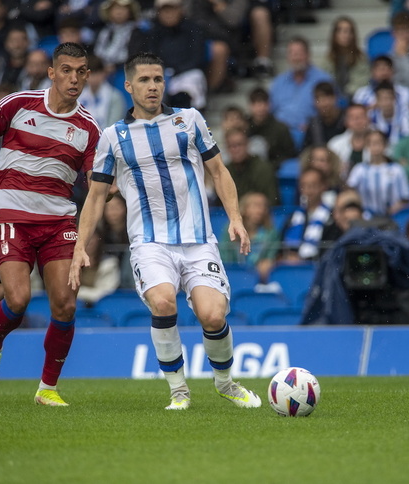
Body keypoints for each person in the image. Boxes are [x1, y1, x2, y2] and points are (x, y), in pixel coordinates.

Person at [69, 52, 262, 410]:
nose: (153, 86)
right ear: (128, 86)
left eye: (158, 79)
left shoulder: (189, 121)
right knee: (162, 301)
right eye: (144, 80)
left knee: (213, 315)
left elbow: (218, 171)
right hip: (149, 242)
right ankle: (178, 390)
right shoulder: (114, 137)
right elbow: (96, 196)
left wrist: (235, 217)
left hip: (199, 239)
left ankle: (226, 383)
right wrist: (81, 245)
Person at [0, 43, 102, 406]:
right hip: (12, 213)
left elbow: (95, 181)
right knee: (17, 299)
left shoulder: (90, 128)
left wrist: (106, 189)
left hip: (58, 219)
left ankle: (47, 389)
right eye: (66, 70)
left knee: (64, 305)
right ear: (52, 72)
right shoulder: (18, 104)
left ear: (88, 76)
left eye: (81, 71)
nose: (74, 78)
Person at [269, 36, 333, 144]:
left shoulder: (323, 79)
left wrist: (312, 125)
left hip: (310, 134)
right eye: (292, 53)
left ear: (308, 55)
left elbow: (331, 110)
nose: (296, 57)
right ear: (287, 57)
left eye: (299, 53)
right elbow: (270, 111)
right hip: (280, 135)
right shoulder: (278, 82)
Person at [346, 130, 409, 217]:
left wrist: (391, 211)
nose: (375, 146)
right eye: (371, 143)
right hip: (365, 217)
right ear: (366, 146)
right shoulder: (359, 169)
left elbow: (405, 198)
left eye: (378, 142)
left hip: (391, 217)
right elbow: (350, 191)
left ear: (385, 145)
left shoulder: (396, 169)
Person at [219, 191, 280, 283]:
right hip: (231, 276)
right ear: (244, 208)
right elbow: (224, 257)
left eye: (264, 206)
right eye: (256, 205)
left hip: (260, 279)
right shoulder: (231, 229)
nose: (261, 209)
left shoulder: (271, 233)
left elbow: (269, 258)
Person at [281, 166, 333, 261]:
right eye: (303, 186)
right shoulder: (293, 217)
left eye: (313, 185)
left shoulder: (331, 218)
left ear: (324, 186)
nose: (308, 191)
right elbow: (281, 249)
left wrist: (302, 260)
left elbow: (329, 252)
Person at [246, 86, 297, 174]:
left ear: (269, 105)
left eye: (263, 103)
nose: (260, 108)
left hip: (272, 172)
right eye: (256, 103)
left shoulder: (281, 128)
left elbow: (290, 154)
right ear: (250, 106)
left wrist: (270, 165)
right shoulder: (243, 127)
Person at [318, 16, 370, 99]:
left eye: (349, 31)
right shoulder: (328, 58)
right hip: (333, 100)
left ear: (353, 35)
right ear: (335, 35)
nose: (346, 35)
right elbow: (324, 81)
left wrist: (344, 96)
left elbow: (361, 84)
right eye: (341, 31)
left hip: (355, 99)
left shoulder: (361, 58)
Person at [224, 128, 278, 205]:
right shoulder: (225, 171)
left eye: (239, 144)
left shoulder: (263, 168)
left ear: (247, 144)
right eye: (231, 146)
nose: (236, 150)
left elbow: (270, 201)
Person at [78, 54, 127, 129]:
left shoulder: (115, 97)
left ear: (104, 73)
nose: (93, 78)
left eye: (96, 74)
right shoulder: (79, 96)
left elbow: (113, 127)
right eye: (90, 74)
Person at [93, 0, 140, 74]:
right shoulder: (105, 31)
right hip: (103, 71)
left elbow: (134, 55)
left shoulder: (136, 32)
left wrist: (115, 66)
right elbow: (98, 52)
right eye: (115, 9)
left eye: (123, 9)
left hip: (125, 71)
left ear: (129, 12)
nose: (119, 12)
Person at [327, 102, 371, 176]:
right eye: (353, 118)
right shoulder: (335, 144)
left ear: (368, 119)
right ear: (346, 122)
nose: (358, 121)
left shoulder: (380, 140)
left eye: (361, 116)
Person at [303, 82, 346, 149]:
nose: (323, 104)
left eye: (326, 98)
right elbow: (306, 151)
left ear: (335, 98)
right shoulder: (314, 124)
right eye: (318, 99)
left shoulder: (346, 119)